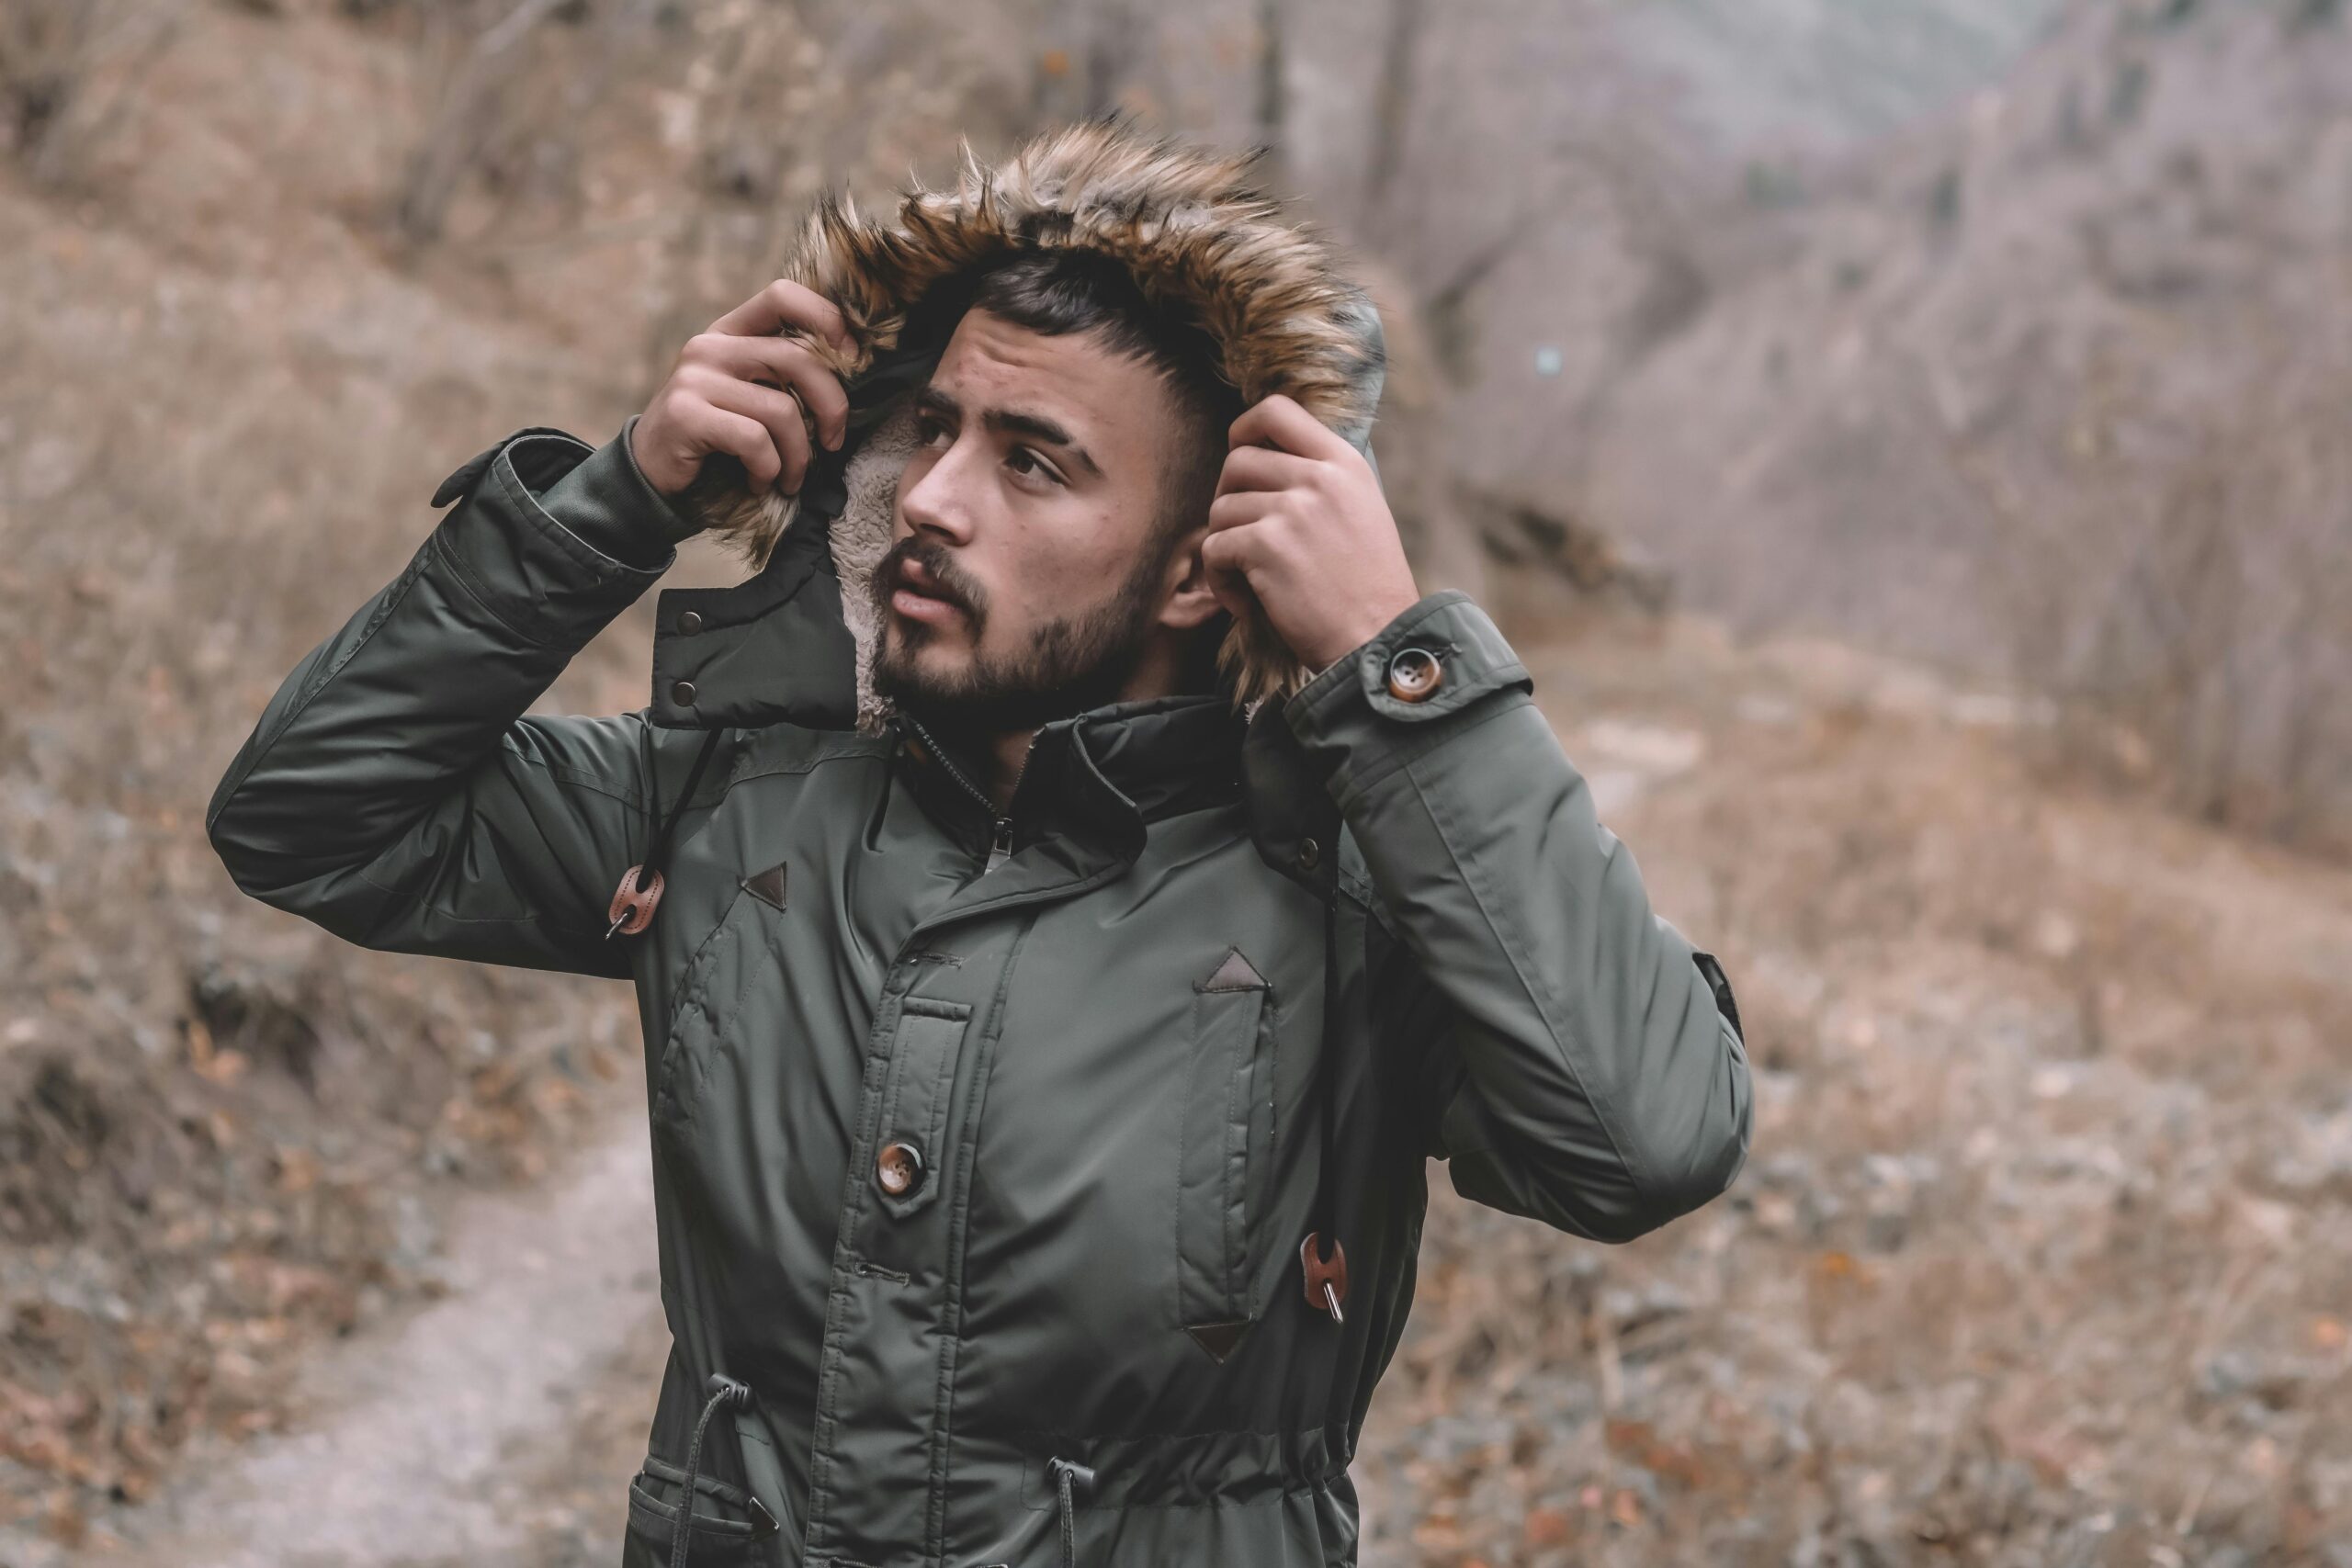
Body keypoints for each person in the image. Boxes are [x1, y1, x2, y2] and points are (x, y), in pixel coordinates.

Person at [207, 121, 1751, 1568]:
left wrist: (1399, 674)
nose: (929, 499)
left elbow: (1647, 1142)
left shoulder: (1348, 900)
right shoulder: (738, 802)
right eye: (932, 427)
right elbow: (311, 816)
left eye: (1033, 460)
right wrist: (611, 503)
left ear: (1201, 567)